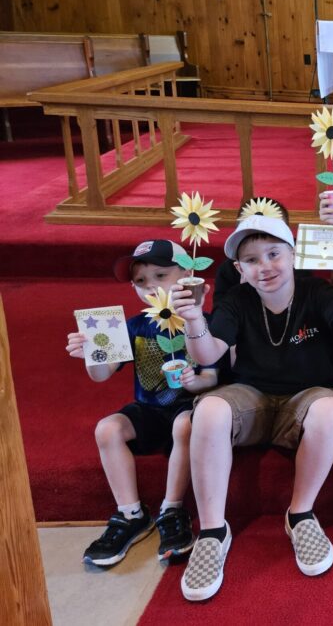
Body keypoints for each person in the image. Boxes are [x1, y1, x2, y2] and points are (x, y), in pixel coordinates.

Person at [172, 215, 333, 602]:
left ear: (293, 254)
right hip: (251, 398)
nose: (264, 266)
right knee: (210, 409)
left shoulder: (317, 292)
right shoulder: (237, 300)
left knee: (330, 410)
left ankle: (300, 514)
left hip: (307, 398)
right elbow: (208, 354)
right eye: (252, 260)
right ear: (240, 269)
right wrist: (194, 319)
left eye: (273, 254)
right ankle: (213, 531)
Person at [65, 239, 219, 567]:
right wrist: (90, 354)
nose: (150, 286)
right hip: (148, 410)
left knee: (185, 424)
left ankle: (172, 508)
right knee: (107, 429)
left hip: (189, 409)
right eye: (140, 281)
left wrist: (195, 381)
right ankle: (131, 513)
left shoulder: (202, 322)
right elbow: (102, 374)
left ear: (187, 275)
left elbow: (213, 375)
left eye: (160, 276)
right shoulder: (133, 326)